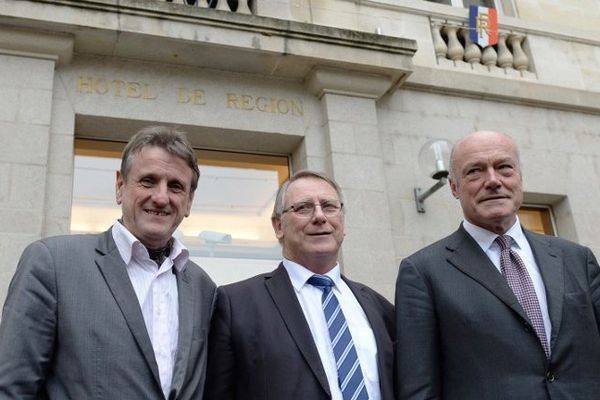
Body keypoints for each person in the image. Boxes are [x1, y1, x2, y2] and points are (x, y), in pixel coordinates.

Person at [0, 126, 217, 399]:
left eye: (175, 186)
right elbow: (10, 389)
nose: (161, 197)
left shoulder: (203, 287)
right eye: (148, 181)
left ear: (189, 202)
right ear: (120, 186)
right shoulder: (53, 264)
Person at [395, 130, 600, 399]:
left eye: (504, 168)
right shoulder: (422, 273)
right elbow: (419, 389)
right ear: (454, 188)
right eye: (475, 172)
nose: (493, 181)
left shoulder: (576, 259)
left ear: (519, 178)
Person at [204, 170, 395, 400]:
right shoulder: (236, 304)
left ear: (342, 222)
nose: (319, 216)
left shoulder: (380, 308)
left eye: (329, 206)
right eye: (303, 207)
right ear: (278, 226)